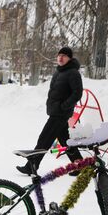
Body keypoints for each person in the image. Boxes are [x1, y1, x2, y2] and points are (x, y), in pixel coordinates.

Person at [16, 46, 83, 175]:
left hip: (60, 113)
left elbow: (77, 93)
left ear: (69, 58)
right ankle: (79, 164)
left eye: (64, 56)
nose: (61, 57)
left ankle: (31, 166)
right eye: (59, 55)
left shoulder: (73, 73)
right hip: (55, 111)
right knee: (65, 140)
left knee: (44, 139)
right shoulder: (59, 72)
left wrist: (63, 106)